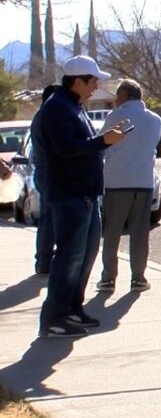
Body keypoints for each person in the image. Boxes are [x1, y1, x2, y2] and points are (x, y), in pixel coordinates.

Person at [37, 56, 125, 338]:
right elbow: (65, 149)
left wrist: (102, 141)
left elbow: (78, 146)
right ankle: (55, 316)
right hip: (70, 193)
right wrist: (102, 141)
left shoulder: (73, 106)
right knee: (69, 256)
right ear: (77, 81)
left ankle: (72, 308)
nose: (96, 86)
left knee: (85, 255)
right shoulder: (57, 109)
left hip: (84, 193)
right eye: (92, 80)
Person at [95, 79, 161, 293]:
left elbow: (102, 142)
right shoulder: (155, 120)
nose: (115, 100)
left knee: (113, 231)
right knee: (140, 232)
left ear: (123, 96)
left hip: (117, 181)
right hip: (144, 180)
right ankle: (138, 277)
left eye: (117, 96)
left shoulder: (115, 116)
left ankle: (108, 278)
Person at [31, 84, 58, 275]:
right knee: (50, 219)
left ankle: (44, 259)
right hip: (49, 173)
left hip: (43, 172)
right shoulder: (46, 118)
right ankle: (44, 260)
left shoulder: (39, 117)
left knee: (48, 219)